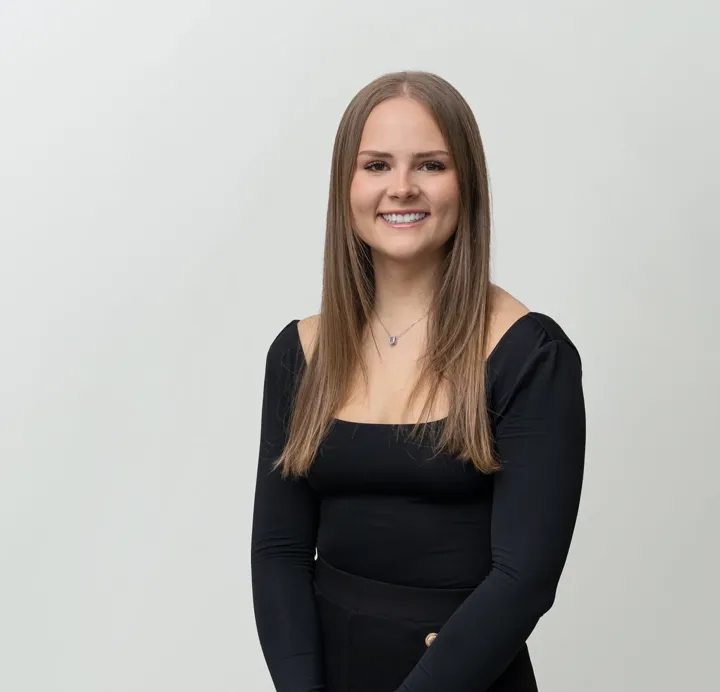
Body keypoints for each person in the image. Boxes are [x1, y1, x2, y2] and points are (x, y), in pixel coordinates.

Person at [250, 70, 586, 692]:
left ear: (466, 183)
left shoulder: (530, 353)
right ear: (346, 185)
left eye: (430, 165)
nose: (401, 187)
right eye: (376, 165)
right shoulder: (299, 352)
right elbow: (278, 553)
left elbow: (525, 580)